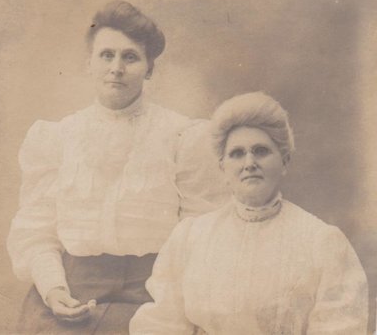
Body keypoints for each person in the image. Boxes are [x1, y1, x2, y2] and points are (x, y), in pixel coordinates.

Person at [7, 0, 227, 334]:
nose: (116, 68)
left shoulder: (182, 136)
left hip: (154, 295)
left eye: (130, 57)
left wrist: (173, 302)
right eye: (106, 55)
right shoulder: (58, 137)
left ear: (150, 69)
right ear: (89, 63)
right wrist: (53, 290)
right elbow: (36, 231)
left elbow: (197, 234)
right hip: (71, 290)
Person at [130, 91, 369, 334]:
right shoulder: (190, 238)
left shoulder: (322, 242)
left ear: (284, 161)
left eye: (261, 151)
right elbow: (162, 324)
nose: (249, 163)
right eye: (237, 153)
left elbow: (340, 327)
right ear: (223, 167)